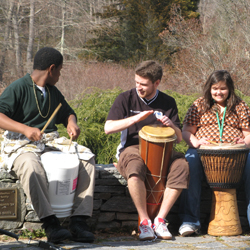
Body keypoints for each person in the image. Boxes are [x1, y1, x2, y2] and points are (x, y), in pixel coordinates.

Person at [0, 47, 95, 243]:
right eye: (59, 70)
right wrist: (25, 129)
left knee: (87, 158)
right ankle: (50, 224)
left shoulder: (53, 92)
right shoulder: (18, 87)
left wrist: (71, 123)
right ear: (51, 69)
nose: (59, 75)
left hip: (49, 141)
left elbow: (68, 112)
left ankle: (79, 220)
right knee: (30, 165)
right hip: (20, 142)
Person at [104, 60, 189, 241]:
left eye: (143, 84)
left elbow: (180, 138)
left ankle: (160, 219)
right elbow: (108, 128)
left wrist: (171, 125)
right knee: (135, 169)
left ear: (156, 83)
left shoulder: (168, 102)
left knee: (182, 166)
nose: (138, 87)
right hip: (132, 148)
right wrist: (135, 119)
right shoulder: (125, 98)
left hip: (164, 150)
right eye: (136, 82)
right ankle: (144, 222)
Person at [178, 70, 250, 236]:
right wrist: (195, 142)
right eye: (215, 88)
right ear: (209, 88)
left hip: (237, 154)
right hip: (202, 152)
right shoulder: (199, 105)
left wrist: (244, 142)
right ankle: (189, 222)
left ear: (230, 89)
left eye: (223, 88)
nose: (219, 92)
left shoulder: (240, 106)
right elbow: (186, 132)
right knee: (189, 164)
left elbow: (249, 134)